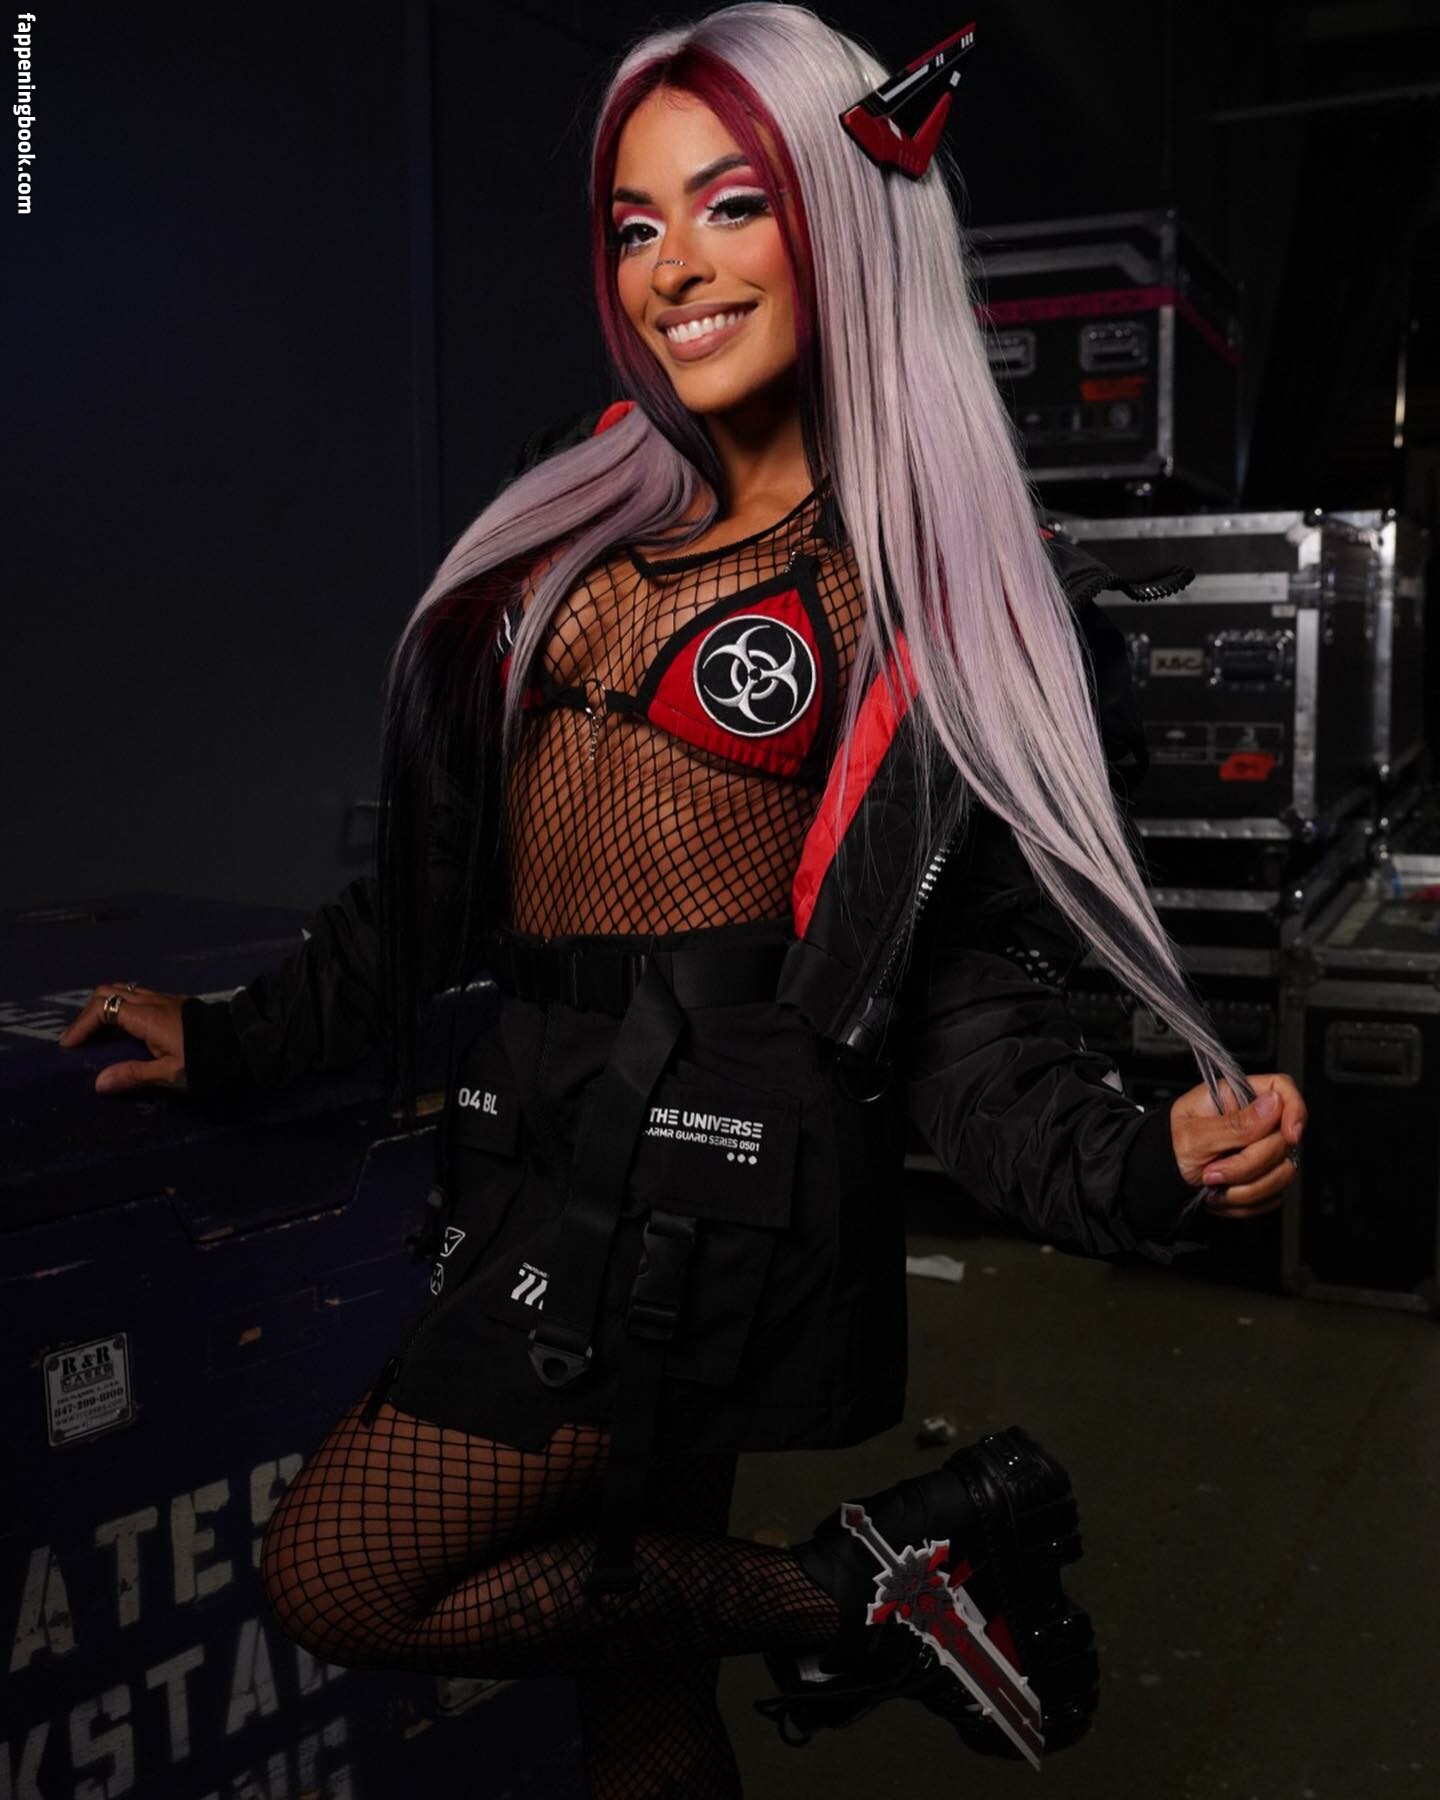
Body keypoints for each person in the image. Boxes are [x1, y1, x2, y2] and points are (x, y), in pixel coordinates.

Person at [58, 7, 1306, 1795]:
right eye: (637, 224)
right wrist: (244, 1040)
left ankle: (863, 1590)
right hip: (530, 1137)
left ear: (848, 220)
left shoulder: (929, 599)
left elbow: (964, 1011)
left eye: (732, 206)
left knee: (341, 1573)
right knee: (638, 1703)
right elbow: (429, 894)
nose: (673, 270)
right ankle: (888, 1592)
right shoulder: (569, 524)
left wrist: (1140, 1160)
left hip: (707, 1184)